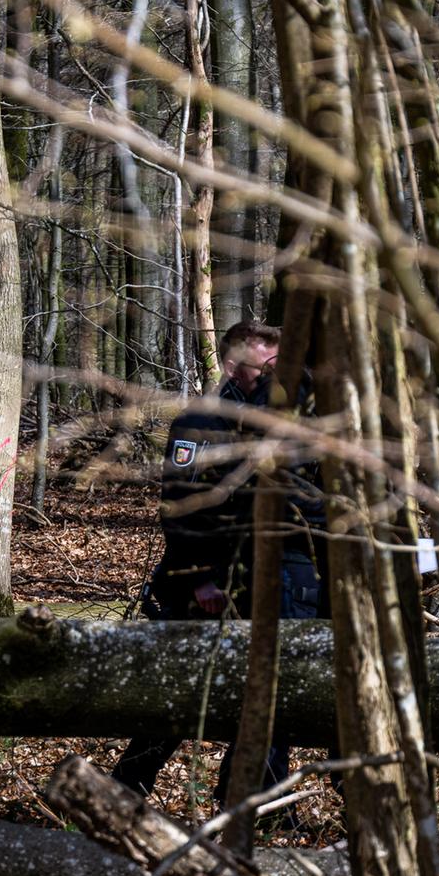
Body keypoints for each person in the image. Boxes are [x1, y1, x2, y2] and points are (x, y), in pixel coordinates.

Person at [113, 321, 326, 803]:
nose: (275, 371)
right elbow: (180, 506)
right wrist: (201, 577)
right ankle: (128, 786)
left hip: (280, 572)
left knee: (274, 686)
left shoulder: (292, 417)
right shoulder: (201, 423)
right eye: (265, 363)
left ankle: (253, 799)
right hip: (213, 576)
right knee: (190, 688)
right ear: (233, 365)